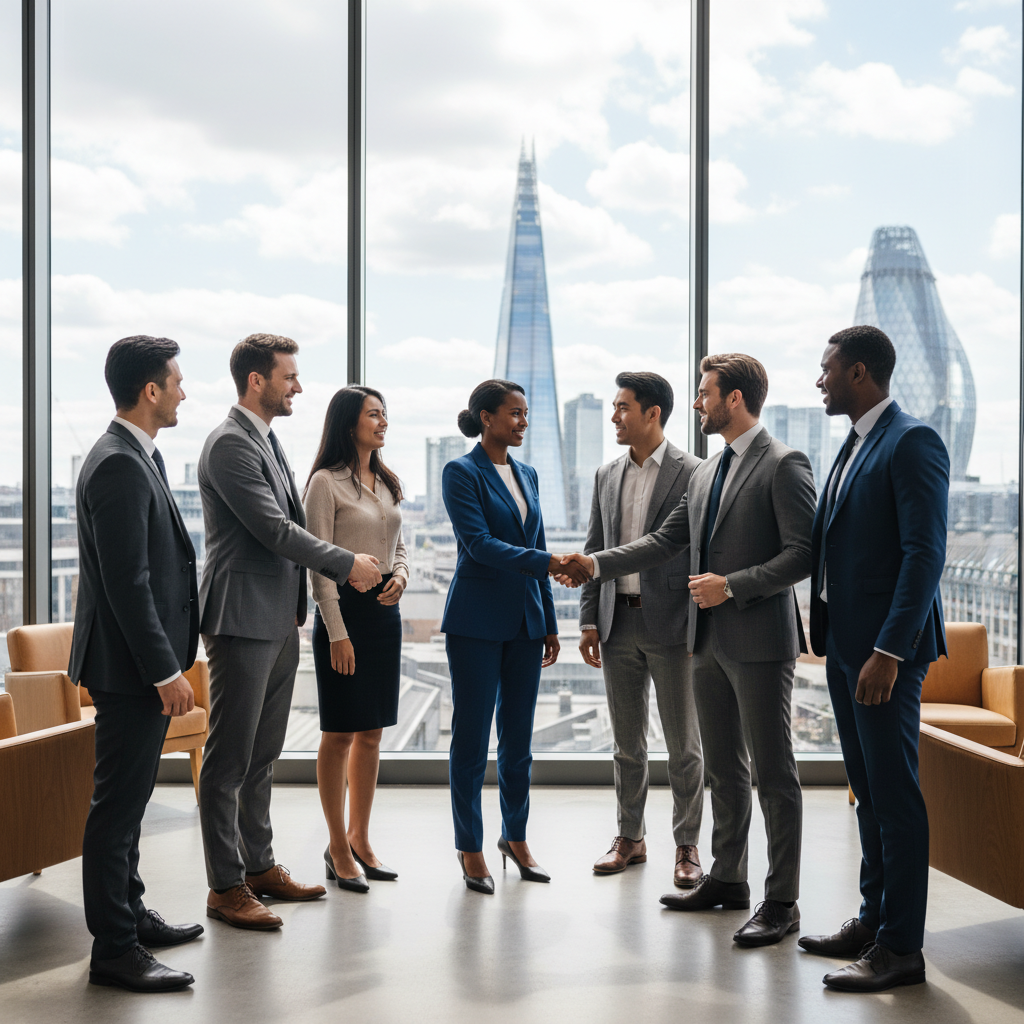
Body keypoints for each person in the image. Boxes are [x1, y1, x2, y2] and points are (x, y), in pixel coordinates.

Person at [559, 354, 816, 947]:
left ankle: (783, 902)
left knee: (773, 774)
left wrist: (732, 586)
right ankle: (728, 880)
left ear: (735, 400)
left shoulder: (783, 463)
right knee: (725, 769)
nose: (697, 403)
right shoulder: (707, 473)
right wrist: (593, 563)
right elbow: (663, 541)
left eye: (705, 394)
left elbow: (804, 554)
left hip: (758, 641)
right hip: (705, 644)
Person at [198, 333, 383, 929]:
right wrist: (344, 561)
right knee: (229, 760)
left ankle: (259, 866)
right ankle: (226, 887)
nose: (298, 385)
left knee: (263, 755)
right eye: (289, 376)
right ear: (258, 380)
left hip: (277, 618)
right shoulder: (229, 444)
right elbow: (275, 530)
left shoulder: (266, 440)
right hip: (241, 619)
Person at [799, 325, 948, 993]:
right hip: (846, 648)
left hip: (884, 654)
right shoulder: (854, 445)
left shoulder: (912, 440)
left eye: (828, 369)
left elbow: (925, 555)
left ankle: (901, 949)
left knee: (895, 797)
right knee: (866, 793)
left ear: (860, 373)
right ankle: (873, 919)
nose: (820, 379)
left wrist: (889, 651)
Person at [71, 335, 202, 992]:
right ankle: (115, 951)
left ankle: (131, 914)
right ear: (150, 390)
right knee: (118, 808)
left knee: (130, 801)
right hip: (129, 670)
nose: (183, 391)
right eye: (176, 381)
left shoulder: (132, 454)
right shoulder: (120, 463)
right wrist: (164, 671)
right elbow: (130, 582)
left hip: (129, 665)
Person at [442, 379, 587, 894]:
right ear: (486, 417)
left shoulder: (528, 473)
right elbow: (479, 545)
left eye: (526, 414)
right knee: (471, 740)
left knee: (519, 740)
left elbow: (537, 541)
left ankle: (516, 837)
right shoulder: (460, 472)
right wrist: (549, 564)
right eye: (514, 413)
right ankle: (470, 846)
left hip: (526, 623)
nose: (523, 421)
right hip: (476, 622)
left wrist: (548, 620)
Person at [579, 372, 705, 887]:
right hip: (617, 623)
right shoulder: (606, 475)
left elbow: (687, 548)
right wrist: (589, 619)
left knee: (683, 746)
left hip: (673, 625)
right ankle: (630, 837)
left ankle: (687, 846)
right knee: (627, 744)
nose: (614, 416)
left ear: (653, 413)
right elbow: (594, 548)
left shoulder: (693, 472)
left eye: (623, 407)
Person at [304, 387, 408, 892]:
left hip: (385, 616)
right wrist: (336, 633)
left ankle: (361, 838)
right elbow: (319, 564)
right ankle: (337, 846)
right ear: (350, 424)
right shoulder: (325, 484)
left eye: (384, 413)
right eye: (373, 414)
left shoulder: (386, 480)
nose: (383, 420)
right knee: (340, 733)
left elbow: (398, 544)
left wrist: (403, 576)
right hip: (342, 618)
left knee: (372, 734)